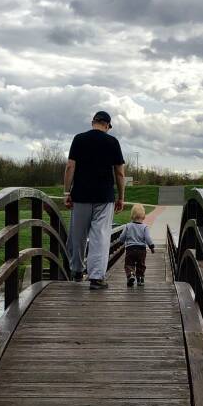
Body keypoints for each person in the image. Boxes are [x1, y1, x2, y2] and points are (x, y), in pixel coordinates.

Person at [64, 110, 125, 290]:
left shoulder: (79, 139)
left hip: (81, 195)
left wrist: (67, 193)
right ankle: (96, 277)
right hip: (104, 197)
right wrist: (121, 197)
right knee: (100, 236)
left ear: (93, 122)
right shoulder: (113, 142)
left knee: (78, 235)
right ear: (107, 125)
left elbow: (70, 167)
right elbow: (120, 173)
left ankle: (76, 271)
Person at [120, 203, 155, 287]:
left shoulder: (127, 226)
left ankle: (131, 274)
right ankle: (140, 279)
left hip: (130, 249)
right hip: (141, 250)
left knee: (129, 264)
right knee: (141, 264)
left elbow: (122, 236)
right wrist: (151, 247)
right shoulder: (145, 227)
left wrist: (121, 241)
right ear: (143, 216)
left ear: (132, 215)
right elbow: (148, 238)